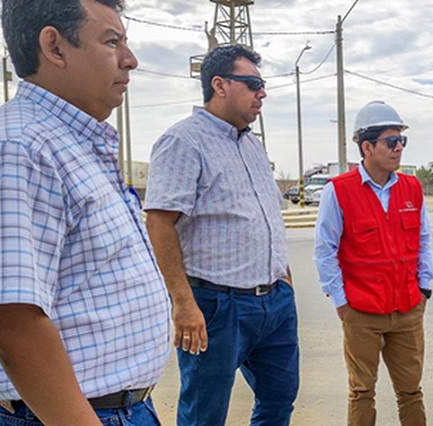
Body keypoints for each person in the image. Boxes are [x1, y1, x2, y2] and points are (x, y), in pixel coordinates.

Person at [0, 0, 170, 424]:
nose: (130, 59)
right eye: (112, 42)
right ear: (54, 46)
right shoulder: (19, 147)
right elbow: (13, 320)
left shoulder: (66, 142)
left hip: (118, 409)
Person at [144, 44, 298, 426]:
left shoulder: (253, 145)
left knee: (279, 400)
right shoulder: (184, 142)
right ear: (220, 85)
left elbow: (266, 217)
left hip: (275, 302)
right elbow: (160, 223)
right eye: (253, 84)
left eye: (262, 85)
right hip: (217, 306)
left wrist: (284, 276)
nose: (262, 93)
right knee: (205, 414)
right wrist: (183, 303)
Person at [313, 100, 433, 426]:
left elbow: (423, 240)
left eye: (402, 140)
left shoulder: (412, 187)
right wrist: (342, 303)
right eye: (391, 141)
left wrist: (423, 289)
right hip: (361, 311)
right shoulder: (338, 191)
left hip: (408, 308)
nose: (399, 148)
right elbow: (324, 251)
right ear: (366, 147)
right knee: (362, 391)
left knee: (411, 391)